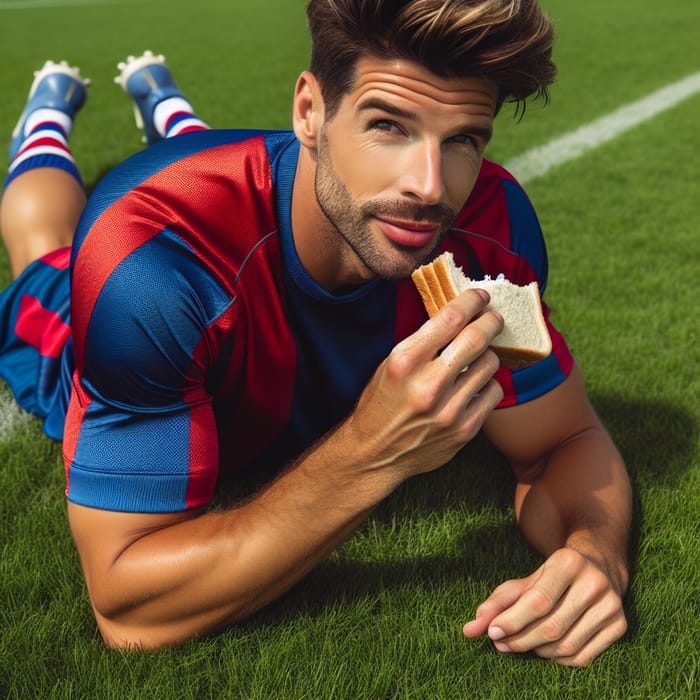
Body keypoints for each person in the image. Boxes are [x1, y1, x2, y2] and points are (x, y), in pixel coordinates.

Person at [0, 0, 632, 666]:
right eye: (388, 125)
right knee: (45, 248)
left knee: (208, 152)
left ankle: (162, 100)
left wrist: (596, 553)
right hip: (73, 317)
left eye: (462, 139)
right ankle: (49, 109)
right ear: (309, 109)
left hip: (255, 206)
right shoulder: (152, 270)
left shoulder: (492, 227)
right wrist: (374, 450)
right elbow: (131, 608)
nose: (427, 187)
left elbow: (565, 438)